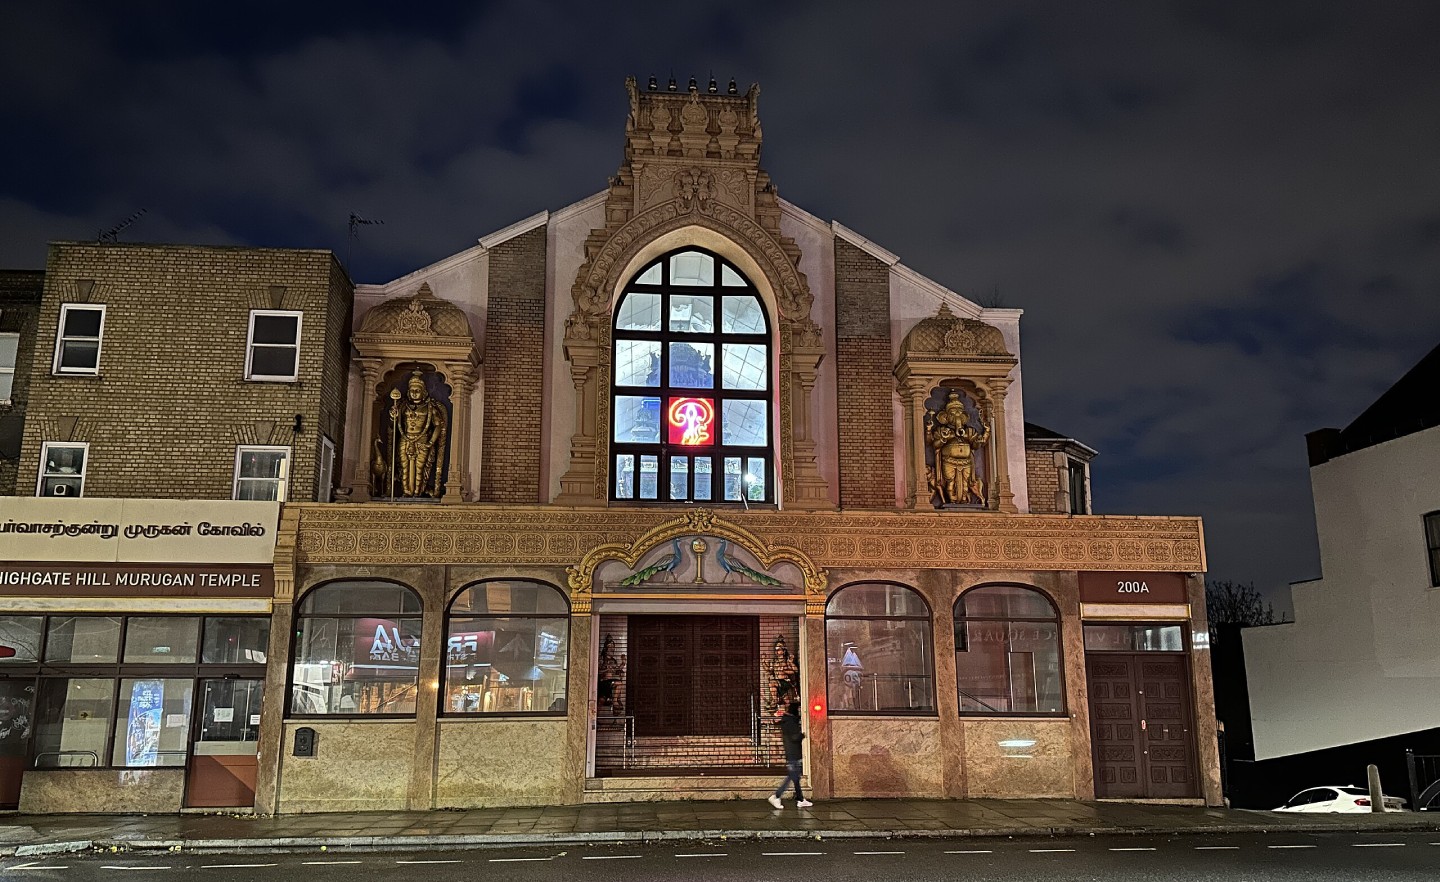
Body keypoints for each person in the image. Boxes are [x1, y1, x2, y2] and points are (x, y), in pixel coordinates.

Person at [388, 370, 448, 498]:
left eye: (417, 391)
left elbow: (438, 425)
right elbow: (394, 424)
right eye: (412, 391)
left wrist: (431, 442)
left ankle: (417, 492)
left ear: (424, 392)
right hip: (406, 438)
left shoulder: (430, 407)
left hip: (422, 439)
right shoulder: (402, 406)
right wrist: (393, 416)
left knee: (420, 469)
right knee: (404, 468)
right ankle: (406, 492)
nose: (414, 394)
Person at [924, 390, 988, 506]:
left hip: (966, 461)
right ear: (946, 416)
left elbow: (976, 444)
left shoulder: (968, 431)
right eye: (953, 412)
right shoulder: (943, 430)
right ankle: (952, 501)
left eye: (959, 411)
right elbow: (934, 444)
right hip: (949, 460)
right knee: (950, 482)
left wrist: (983, 435)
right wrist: (943, 438)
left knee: (965, 483)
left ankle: (964, 501)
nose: (957, 414)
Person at [768, 700, 812, 809]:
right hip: (793, 753)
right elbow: (794, 737)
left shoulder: (787, 721)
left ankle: (800, 799)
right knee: (792, 776)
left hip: (792, 752)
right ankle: (777, 796)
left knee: (795, 777)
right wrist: (802, 735)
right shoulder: (791, 721)